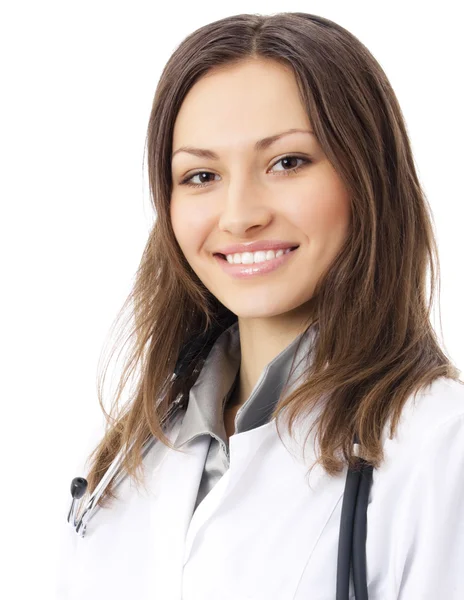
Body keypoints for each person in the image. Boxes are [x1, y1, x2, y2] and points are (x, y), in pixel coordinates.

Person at [56, 12, 464, 600]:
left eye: (288, 163)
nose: (240, 213)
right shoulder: (129, 453)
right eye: (201, 175)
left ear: (368, 177)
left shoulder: (438, 448)